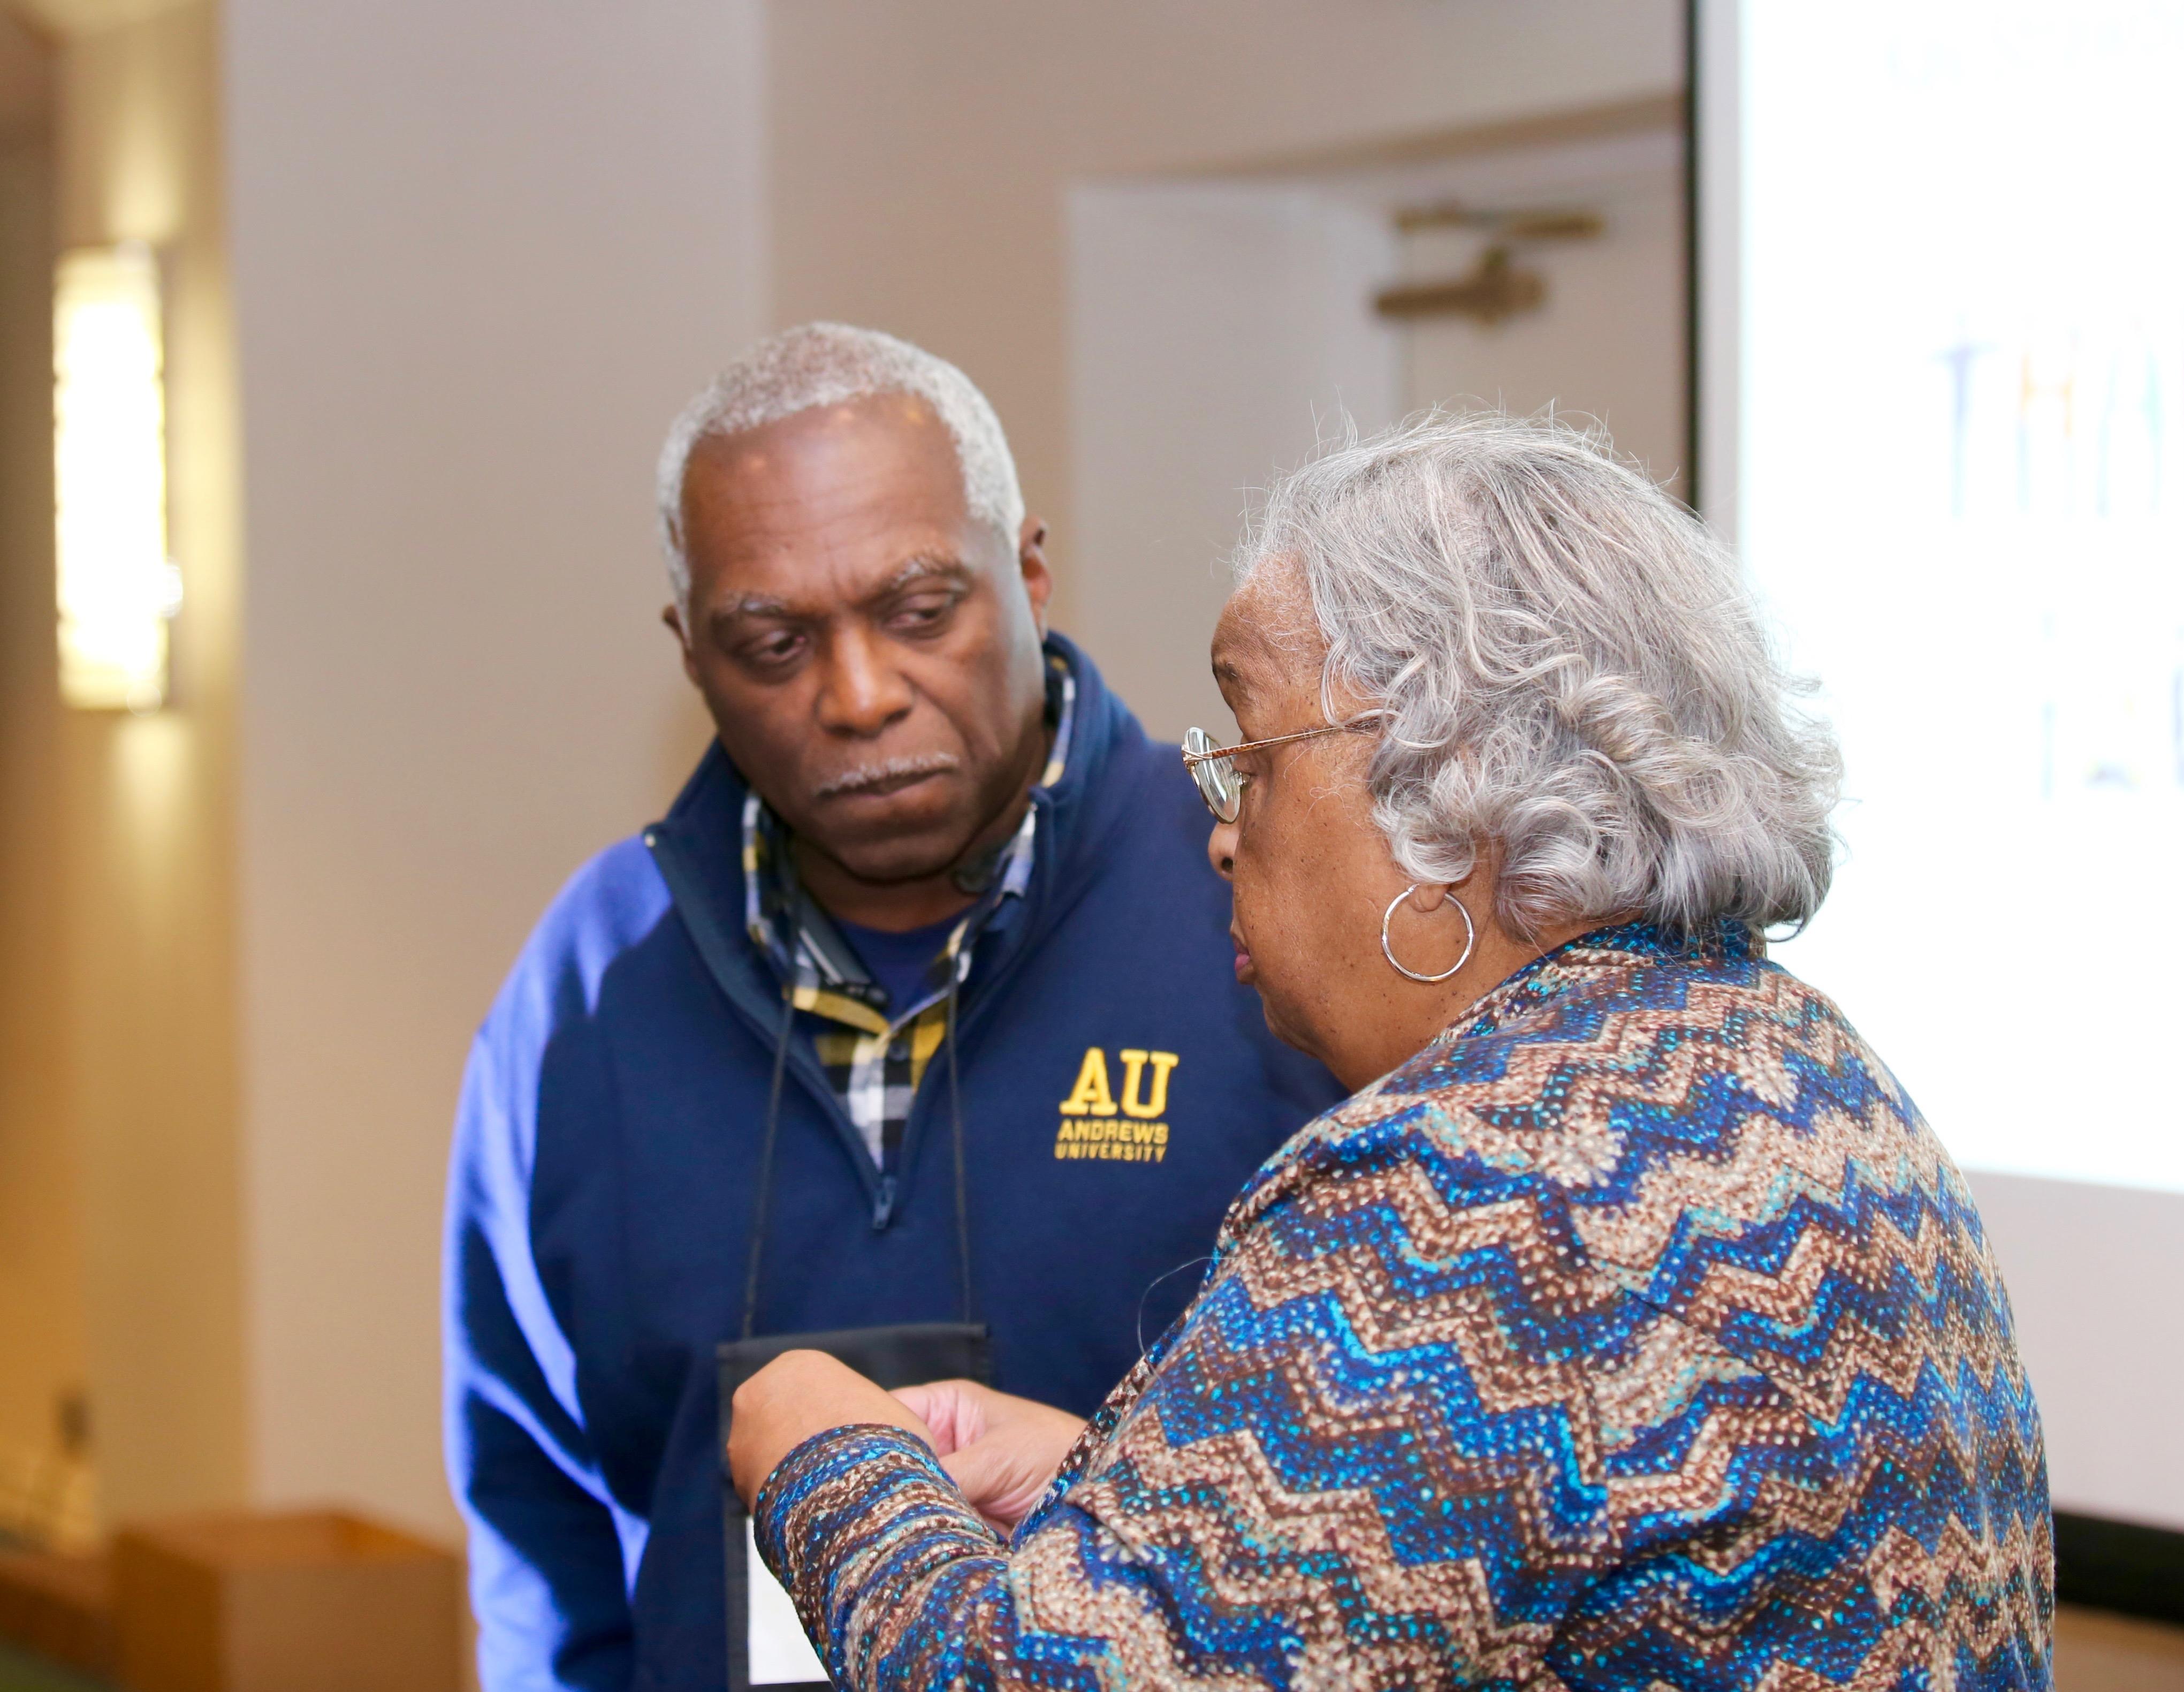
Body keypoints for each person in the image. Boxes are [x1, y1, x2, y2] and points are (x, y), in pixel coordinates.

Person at [728, 412, 2055, 1689]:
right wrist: (1129, 1498)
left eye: (1252, 760)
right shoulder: (1804, 1068)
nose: (1222, 835)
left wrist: (826, 1453)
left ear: (1450, 788)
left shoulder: (1473, 1189)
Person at [443, 324, 1343, 1690]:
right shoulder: (588, 980)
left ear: (1028, 573)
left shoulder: (1261, 897)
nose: (859, 697)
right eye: (772, 643)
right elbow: (536, 1503)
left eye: (920, 612)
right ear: (690, 651)